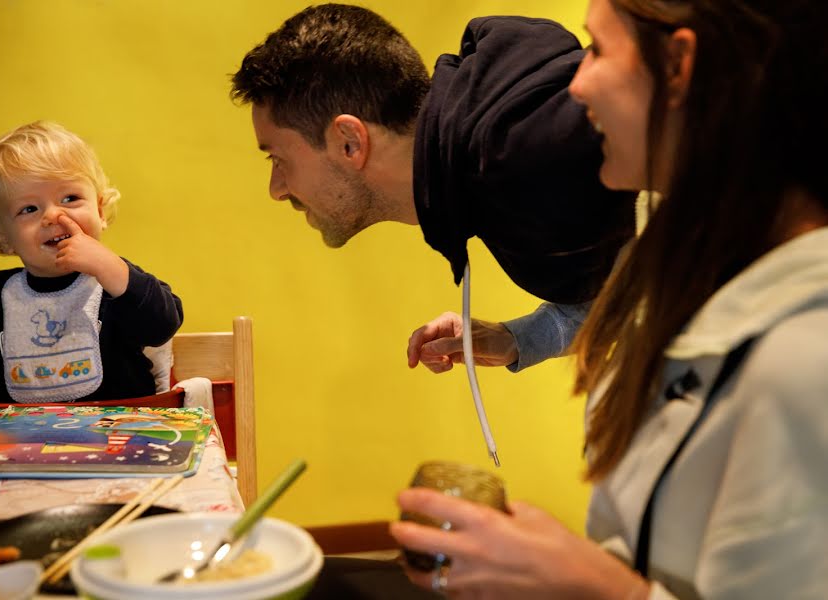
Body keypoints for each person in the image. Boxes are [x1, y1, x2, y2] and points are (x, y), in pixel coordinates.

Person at [390, 0, 828, 598]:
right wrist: (518, 339)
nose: (578, 82)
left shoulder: (806, 359)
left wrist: (596, 588)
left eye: (597, 49)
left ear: (677, 66)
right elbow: (620, 310)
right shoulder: (679, 230)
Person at [231, 4, 635, 373]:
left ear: (349, 142)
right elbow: (637, 274)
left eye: (278, 159)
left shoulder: (518, 151)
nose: (277, 189)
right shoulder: (489, 167)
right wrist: (519, 338)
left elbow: (681, 252)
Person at [0, 121, 183, 404]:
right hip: (21, 442)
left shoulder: (115, 280)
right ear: (3, 235)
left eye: (70, 198)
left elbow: (161, 327)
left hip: (117, 435)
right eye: (29, 209)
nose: (53, 215)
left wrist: (111, 267)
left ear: (99, 210)